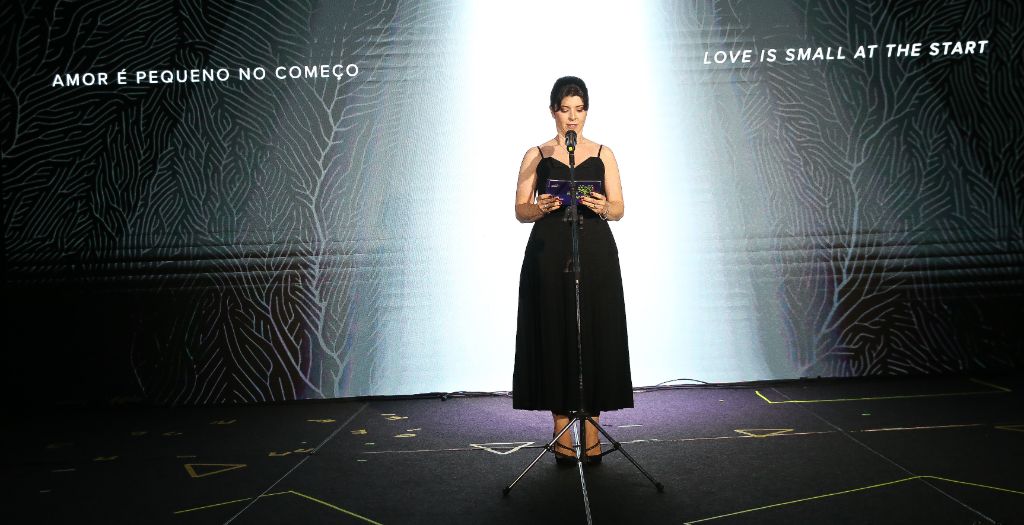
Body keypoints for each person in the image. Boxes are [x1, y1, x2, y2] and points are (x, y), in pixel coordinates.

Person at [512, 76, 633, 465]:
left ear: (586, 112)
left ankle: (593, 434)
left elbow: (619, 207)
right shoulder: (537, 154)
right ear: (553, 112)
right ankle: (562, 432)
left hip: (594, 251)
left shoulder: (603, 153)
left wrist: (603, 206)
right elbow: (520, 210)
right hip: (549, 252)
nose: (572, 117)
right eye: (565, 109)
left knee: (593, 333)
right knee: (555, 332)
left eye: (579, 109)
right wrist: (540, 207)